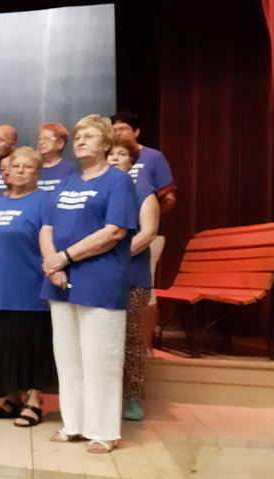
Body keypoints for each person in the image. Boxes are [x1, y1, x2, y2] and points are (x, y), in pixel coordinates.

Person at [40, 114, 137, 453]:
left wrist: (64, 258)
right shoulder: (65, 183)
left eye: (90, 136)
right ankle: (74, 424)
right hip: (60, 281)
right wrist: (53, 264)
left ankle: (104, 431)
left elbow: (114, 232)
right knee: (68, 359)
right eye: (78, 136)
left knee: (101, 359)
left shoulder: (118, 181)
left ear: (107, 144)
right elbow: (46, 228)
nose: (81, 141)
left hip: (100, 280)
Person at [0, 147, 57, 427]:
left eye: (28, 167)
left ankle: (34, 401)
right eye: (16, 166)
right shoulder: (0, 202)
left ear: (38, 172)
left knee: (32, 345)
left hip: (30, 289)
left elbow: (51, 243)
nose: (20, 171)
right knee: (4, 346)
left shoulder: (44, 200)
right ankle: (13, 398)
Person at [111, 111, 176, 351]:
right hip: (114, 243)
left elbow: (169, 197)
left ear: (136, 132)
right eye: (114, 130)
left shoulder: (152, 157)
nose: (117, 133)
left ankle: (146, 347)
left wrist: (147, 214)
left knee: (144, 290)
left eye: (123, 129)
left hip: (147, 234)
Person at [107, 139, 159, 421]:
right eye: (110, 153)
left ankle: (134, 398)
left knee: (132, 338)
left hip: (132, 275)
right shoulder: (101, 189)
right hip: (102, 276)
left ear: (132, 161)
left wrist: (115, 257)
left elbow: (148, 233)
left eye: (122, 153)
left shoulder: (143, 190)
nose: (115, 158)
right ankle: (106, 397)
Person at [37, 123, 77, 192]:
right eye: (39, 139)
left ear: (60, 143)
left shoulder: (70, 169)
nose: (41, 142)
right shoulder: (33, 168)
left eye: (46, 138)